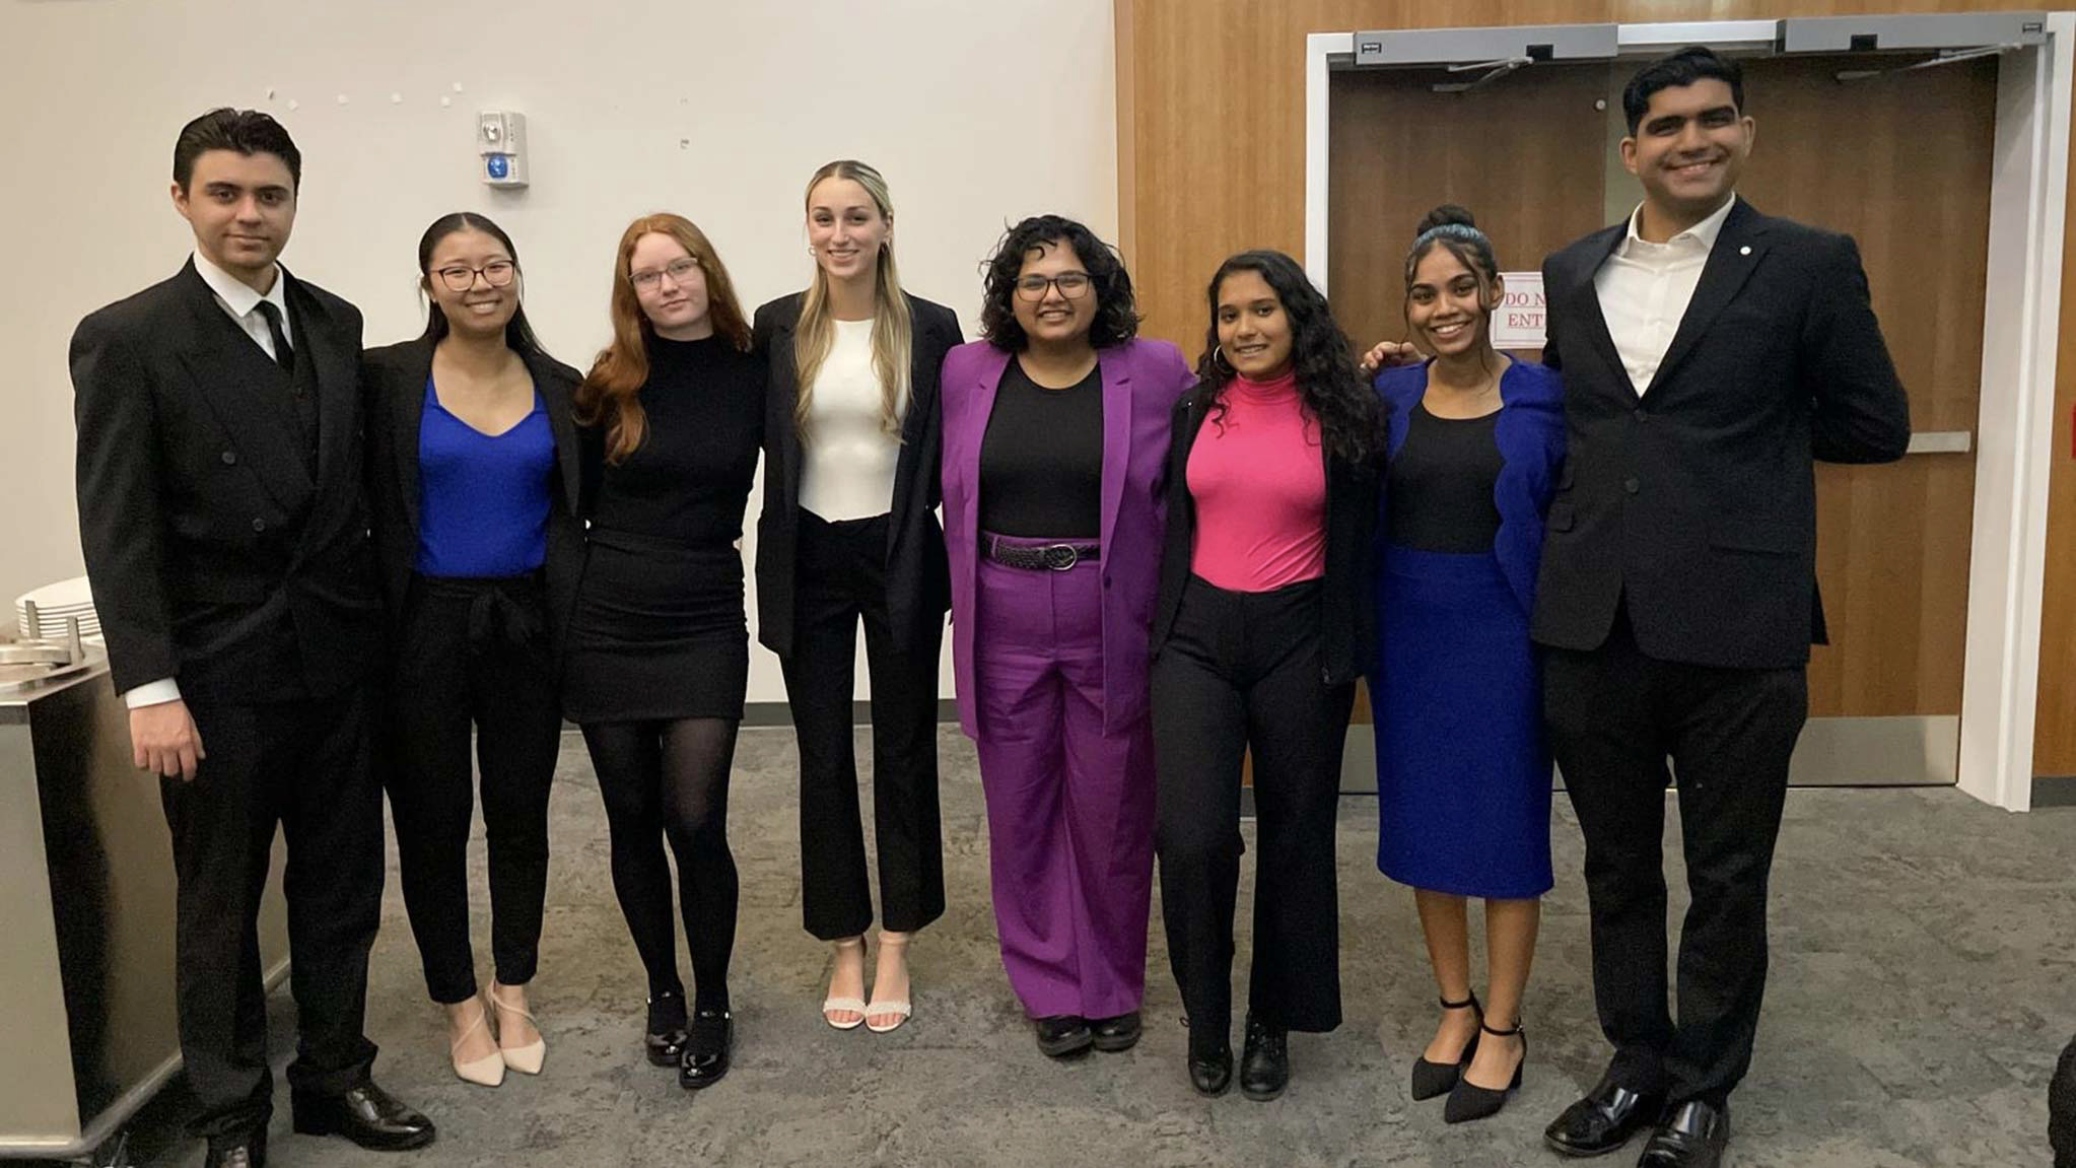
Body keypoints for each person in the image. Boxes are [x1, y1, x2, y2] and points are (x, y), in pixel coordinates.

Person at [1534, 48, 1910, 1168]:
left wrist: (1745, 451)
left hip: (1740, 620)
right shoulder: (1569, 269)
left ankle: (1705, 1081)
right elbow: (1570, 420)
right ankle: (1634, 1061)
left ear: (1745, 131)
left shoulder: (1805, 263)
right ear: (1631, 148)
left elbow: (1873, 425)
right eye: (1667, 126)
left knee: (1729, 867)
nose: (1691, 141)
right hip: (1593, 617)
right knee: (1614, 862)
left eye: (1713, 121)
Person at [69, 108, 433, 1168]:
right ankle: (230, 1111)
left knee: (340, 885)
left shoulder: (332, 318)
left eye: (269, 195)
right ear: (180, 197)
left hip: (335, 659)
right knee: (220, 902)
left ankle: (333, 1074)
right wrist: (149, 686)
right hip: (216, 674)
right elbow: (117, 523)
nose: (249, 214)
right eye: (225, 193)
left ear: (292, 203)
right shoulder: (129, 336)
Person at [940, 215, 1194, 1059]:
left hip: (1108, 610)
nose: (1052, 295)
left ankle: (1112, 980)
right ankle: (1049, 983)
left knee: (1114, 806)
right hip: (1001, 612)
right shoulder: (966, 372)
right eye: (1033, 281)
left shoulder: (1154, 371)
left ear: (1099, 289)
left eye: (1070, 279)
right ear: (1009, 297)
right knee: (1021, 811)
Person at [1151, 249, 1381, 1101]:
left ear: (1297, 316)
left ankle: (1268, 1023)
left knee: (1295, 836)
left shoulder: (1350, 411)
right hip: (1195, 638)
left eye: (1262, 310)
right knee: (1193, 836)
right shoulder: (1192, 409)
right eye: (1229, 314)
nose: (1244, 328)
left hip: (1300, 638)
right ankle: (1205, 1016)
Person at [364, 213, 581, 1087]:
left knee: (522, 815)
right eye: (456, 270)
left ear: (519, 275)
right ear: (428, 285)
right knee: (433, 820)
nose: (479, 281)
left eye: (495, 264)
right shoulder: (383, 380)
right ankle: (458, 1002)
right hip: (421, 626)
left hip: (528, 625)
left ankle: (513, 986)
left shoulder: (563, 385)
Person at [752, 160, 961, 1034]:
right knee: (824, 753)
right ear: (807, 228)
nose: (840, 234)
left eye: (856, 217)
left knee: (906, 749)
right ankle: (844, 940)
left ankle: (899, 941)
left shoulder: (933, 327)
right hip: (808, 553)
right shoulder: (772, 327)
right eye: (824, 218)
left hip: (901, 548)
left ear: (884, 226)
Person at [1369, 206, 1564, 1125]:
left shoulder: (1545, 399)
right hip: (1408, 635)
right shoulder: (1390, 398)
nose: (1442, 307)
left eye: (1458, 288)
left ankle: (1505, 1024)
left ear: (1492, 294)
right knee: (1427, 829)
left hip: (1506, 635)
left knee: (1507, 833)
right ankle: (1454, 1007)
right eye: (1423, 293)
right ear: (1407, 308)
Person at [566, 214, 764, 1090]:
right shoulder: (609, 382)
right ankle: (662, 990)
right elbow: (567, 504)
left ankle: (715, 1000)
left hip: (704, 615)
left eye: (680, 267)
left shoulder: (758, 368)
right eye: (648, 277)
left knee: (696, 818)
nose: (668, 286)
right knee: (632, 820)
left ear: (707, 272)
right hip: (608, 617)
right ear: (631, 292)